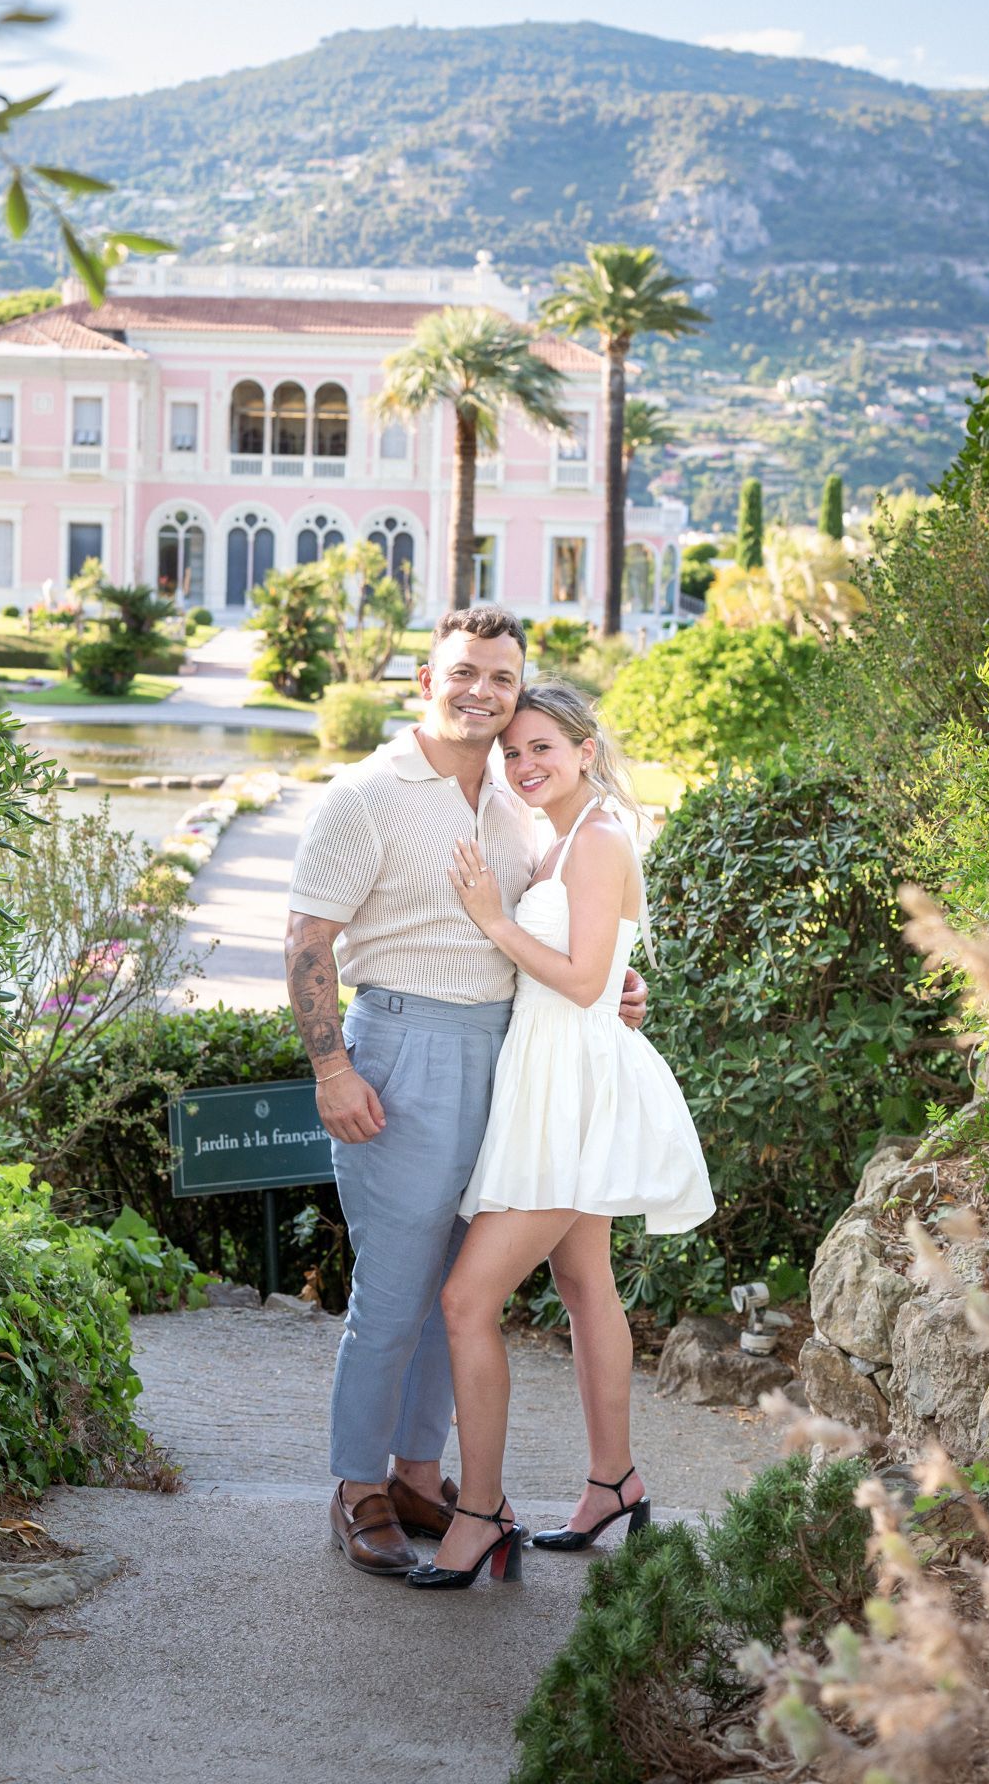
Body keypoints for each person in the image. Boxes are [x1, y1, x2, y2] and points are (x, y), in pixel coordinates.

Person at [284, 609, 649, 1578]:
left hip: (510, 1056)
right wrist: (331, 1068)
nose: (481, 691)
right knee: (397, 1290)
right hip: (402, 1049)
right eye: (463, 673)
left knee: (462, 1292)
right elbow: (307, 938)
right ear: (424, 677)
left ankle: (418, 1470)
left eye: (500, 676)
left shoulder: (511, 796)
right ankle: (358, 1484)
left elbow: (559, 928)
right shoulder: (366, 794)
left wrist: (611, 979)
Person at [406, 681, 714, 1590]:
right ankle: (612, 1480)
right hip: (556, 1074)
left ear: (585, 749)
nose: (524, 764)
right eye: (513, 751)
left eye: (543, 747)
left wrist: (493, 921)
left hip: (570, 1089)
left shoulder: (598, 839)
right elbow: (598, 974)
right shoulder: (558, 836)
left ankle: (479, 1514)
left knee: (467, 1302)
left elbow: (583, 981)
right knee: (584, 1284)